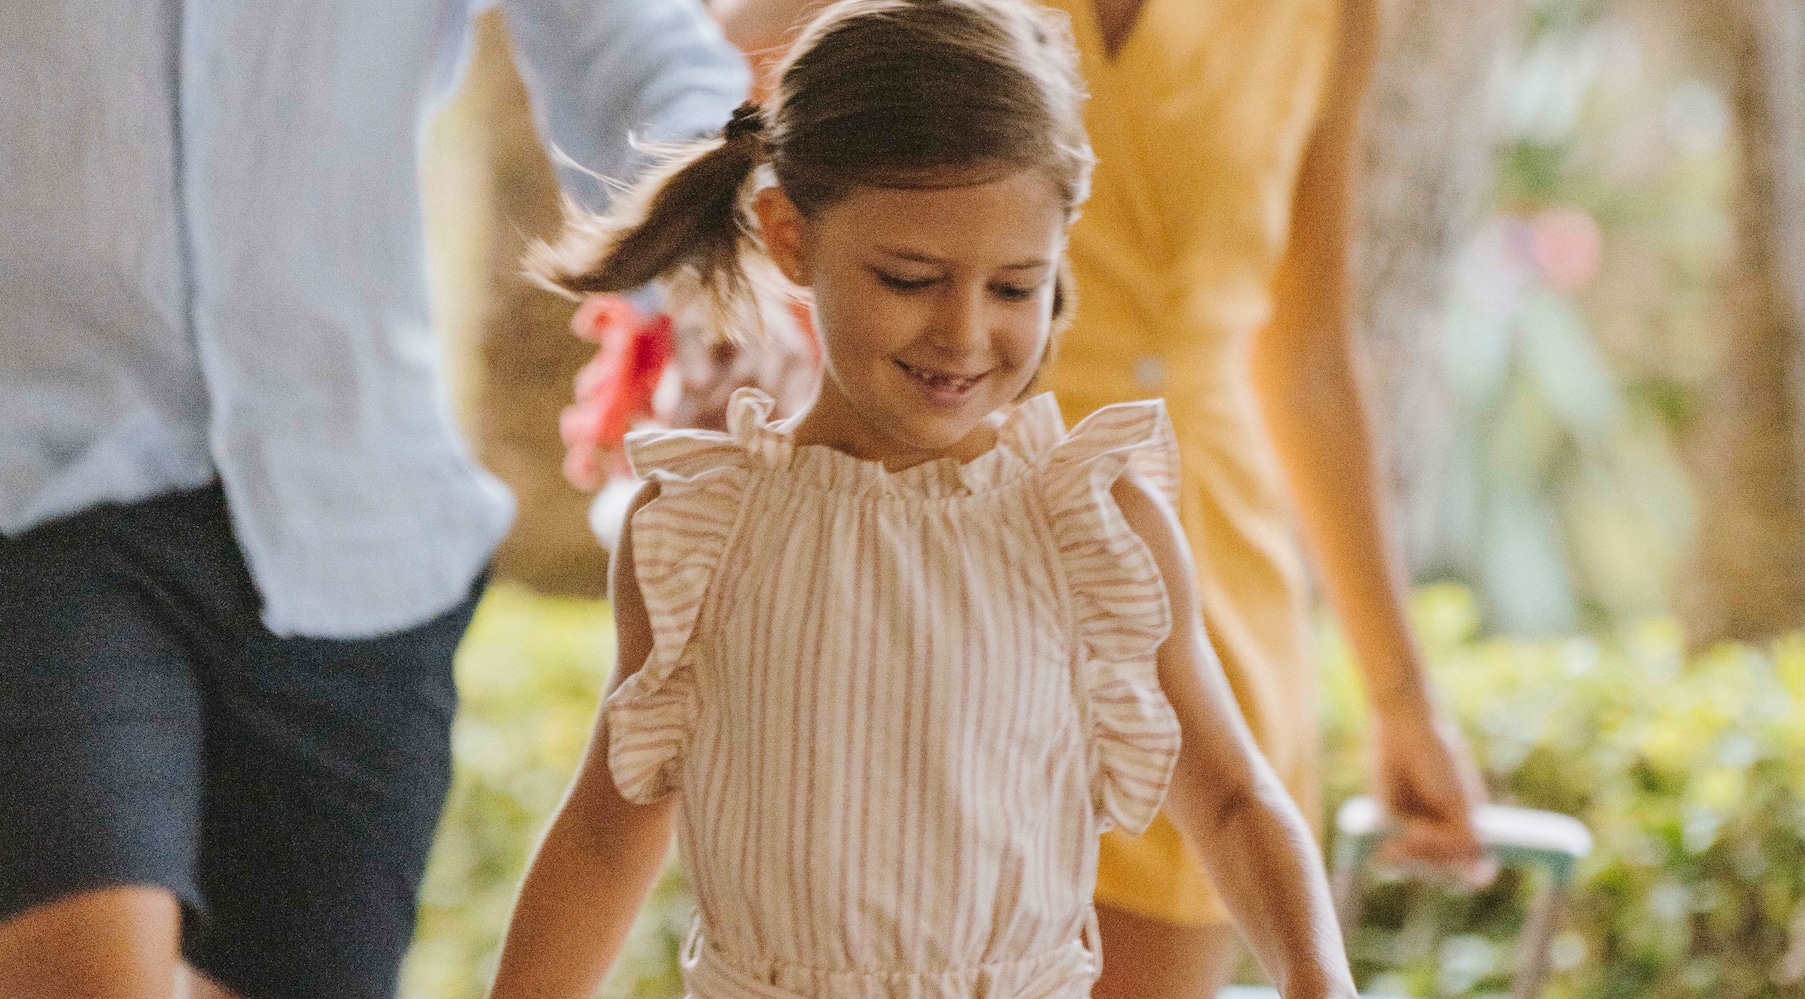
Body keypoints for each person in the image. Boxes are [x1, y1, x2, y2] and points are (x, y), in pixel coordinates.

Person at [486, 2, 1360, 998]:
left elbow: (1235, 801)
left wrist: (1315, 976)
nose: (962, 333)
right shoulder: (702, 529)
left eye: (1013, 288)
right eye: (910, 277)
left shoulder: (1091, 524)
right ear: (788, 238)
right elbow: (609, 832)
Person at [700, 1, 1496, 996]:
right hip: (923, 537)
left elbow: (1307, 358)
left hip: (1182, 558)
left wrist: (1401, 698)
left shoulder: (1322, 13)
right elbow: (703, 69)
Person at [0, 2, 747, 997]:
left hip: (356, 519)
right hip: (38, 490)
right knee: (85, 970)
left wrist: (756, 276)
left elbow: (637, 64)